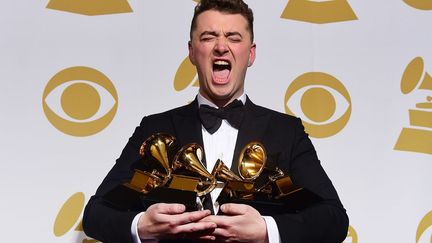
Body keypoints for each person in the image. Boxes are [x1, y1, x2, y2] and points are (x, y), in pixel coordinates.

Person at [82, 0, 349, 242]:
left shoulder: (286, 132)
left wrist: (267, 230)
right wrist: (141, 226)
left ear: (251, 54)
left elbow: (334, 219)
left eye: (233, 37)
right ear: (192, 51)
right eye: (208, 37)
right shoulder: (155, 129)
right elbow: (95, 214)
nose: (221, 46)